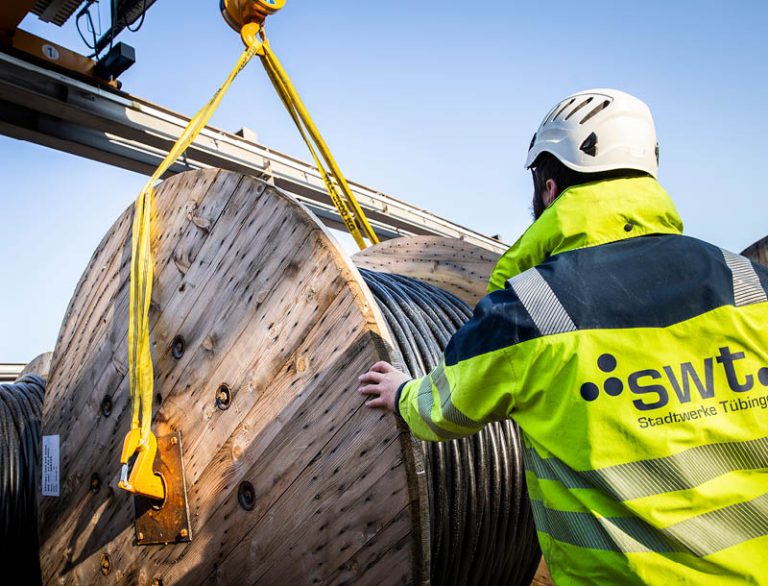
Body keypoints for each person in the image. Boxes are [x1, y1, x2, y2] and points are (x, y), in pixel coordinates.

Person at [357, 89, 768, 585]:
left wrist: (402, 392)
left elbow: (445, 407)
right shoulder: (748, 282)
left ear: (550, 189)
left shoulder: (530, 309)